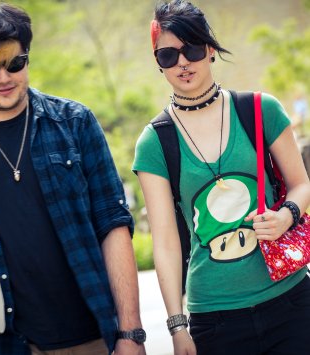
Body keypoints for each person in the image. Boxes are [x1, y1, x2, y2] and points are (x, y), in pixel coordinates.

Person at [0, 1, 147, 354]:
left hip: (89, 337)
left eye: (15, 63)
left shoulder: (75, 122)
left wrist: (130, 333)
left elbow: (113, 224)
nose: (4, 78)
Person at [132, 1, 310, 354]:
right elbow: (166, 242)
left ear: (210, 49)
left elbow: (302, 183)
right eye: (168, 55)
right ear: (158, 63)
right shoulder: (154, 142)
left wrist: (286, 214)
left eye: (192, 49)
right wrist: (176, 326)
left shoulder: (261, 109)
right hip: (214, 319)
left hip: (290, 300)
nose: (182, 63)